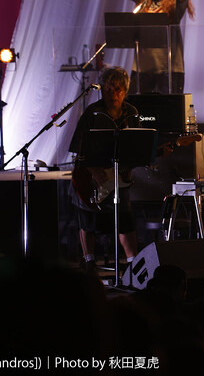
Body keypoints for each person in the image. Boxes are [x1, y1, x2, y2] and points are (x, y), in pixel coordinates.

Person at [69, 67, 140, 275]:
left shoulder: (132, 113)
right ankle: (89, 263)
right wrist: (93, 170)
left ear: (125, 91)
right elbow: (78, 148)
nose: (113, 94)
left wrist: (130, 166)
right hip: (92, 176)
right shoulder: (92, 113)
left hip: (118, 177)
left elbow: (137, 147)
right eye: (109, 89)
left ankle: (134, 266)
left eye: (118, 89)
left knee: (125, 220)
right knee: (89, 221)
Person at [121, 0, 194, 95]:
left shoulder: (175, 2)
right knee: (140, 107)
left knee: (167, 107)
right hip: (142, 68)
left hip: (169, 68)